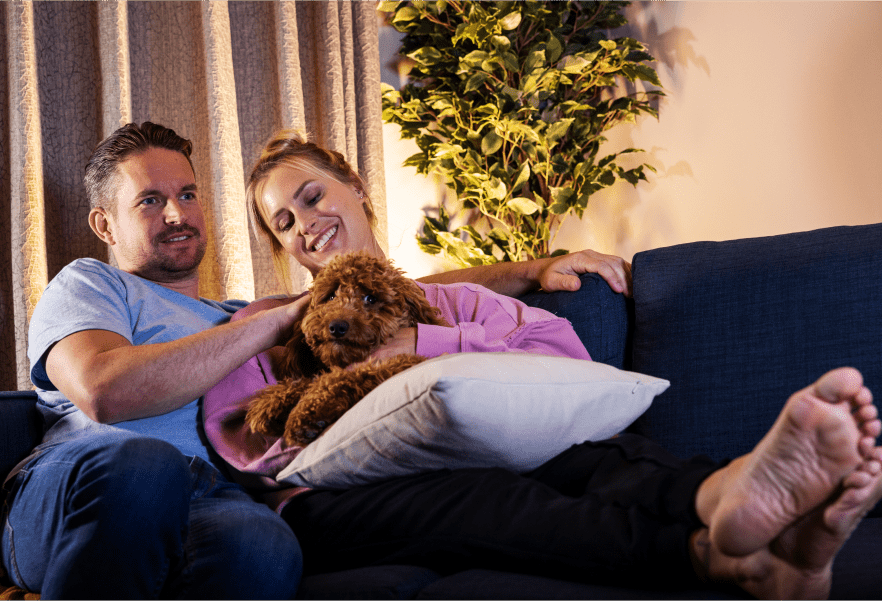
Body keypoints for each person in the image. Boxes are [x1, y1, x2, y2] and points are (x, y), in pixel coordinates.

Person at [205, 129, 883, 600]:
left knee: (596, 457)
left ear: (353, 186)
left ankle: (732, 493)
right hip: (333, 506)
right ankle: (721, 559)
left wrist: (423, 348)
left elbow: (563, 365)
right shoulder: (268, 325)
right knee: (489, 499)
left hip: (476, 451)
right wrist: (353, 400)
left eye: (312, 196)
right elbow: (245, 442)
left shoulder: (458, 301)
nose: (304, 223)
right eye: (283, 222)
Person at [0, 121, 642, 600]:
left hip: (215, 500)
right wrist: (277, 321)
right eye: (149, 200)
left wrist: (535, 268)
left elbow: (404, 289)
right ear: (105, 225)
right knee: (146, 466)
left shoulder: (241, 313)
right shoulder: (92, 284)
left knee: (264, 547)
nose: (177, 213)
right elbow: (104, 390)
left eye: (189, 194)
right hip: (85, 485)